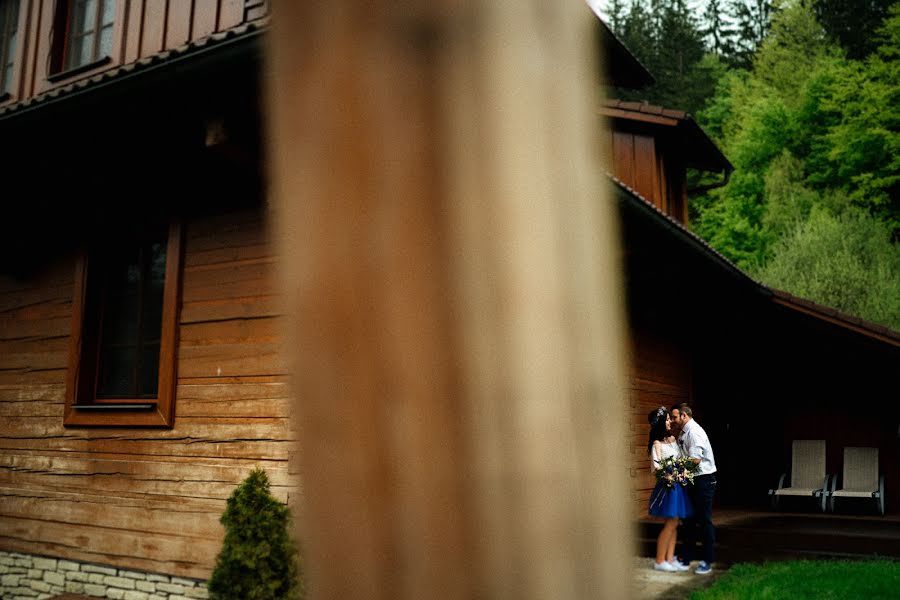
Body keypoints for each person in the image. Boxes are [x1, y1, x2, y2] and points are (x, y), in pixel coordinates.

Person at [646, 406, 693, 572]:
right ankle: (659, 560)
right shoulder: (657, 444)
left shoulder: (673, 439)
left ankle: (669, 558)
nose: (669, 422)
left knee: (675, 523)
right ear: (659, 423)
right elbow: (656, 467)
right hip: (667, 486)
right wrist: (668, 475)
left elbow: (681, 459)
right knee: (671, 523)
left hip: (677, 485)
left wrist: (682, 471)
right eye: (666, 419)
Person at [673, 403, 717, 575]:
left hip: (704, 481)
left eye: (675, 417)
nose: (674, 420)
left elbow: (695, 460)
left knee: (704, 520)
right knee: (688, 520)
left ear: (684, 416)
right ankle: (686, 558)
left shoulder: (695, 432)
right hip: (691, 480)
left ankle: (708, 560)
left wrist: (674, 466)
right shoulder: (683, 432)